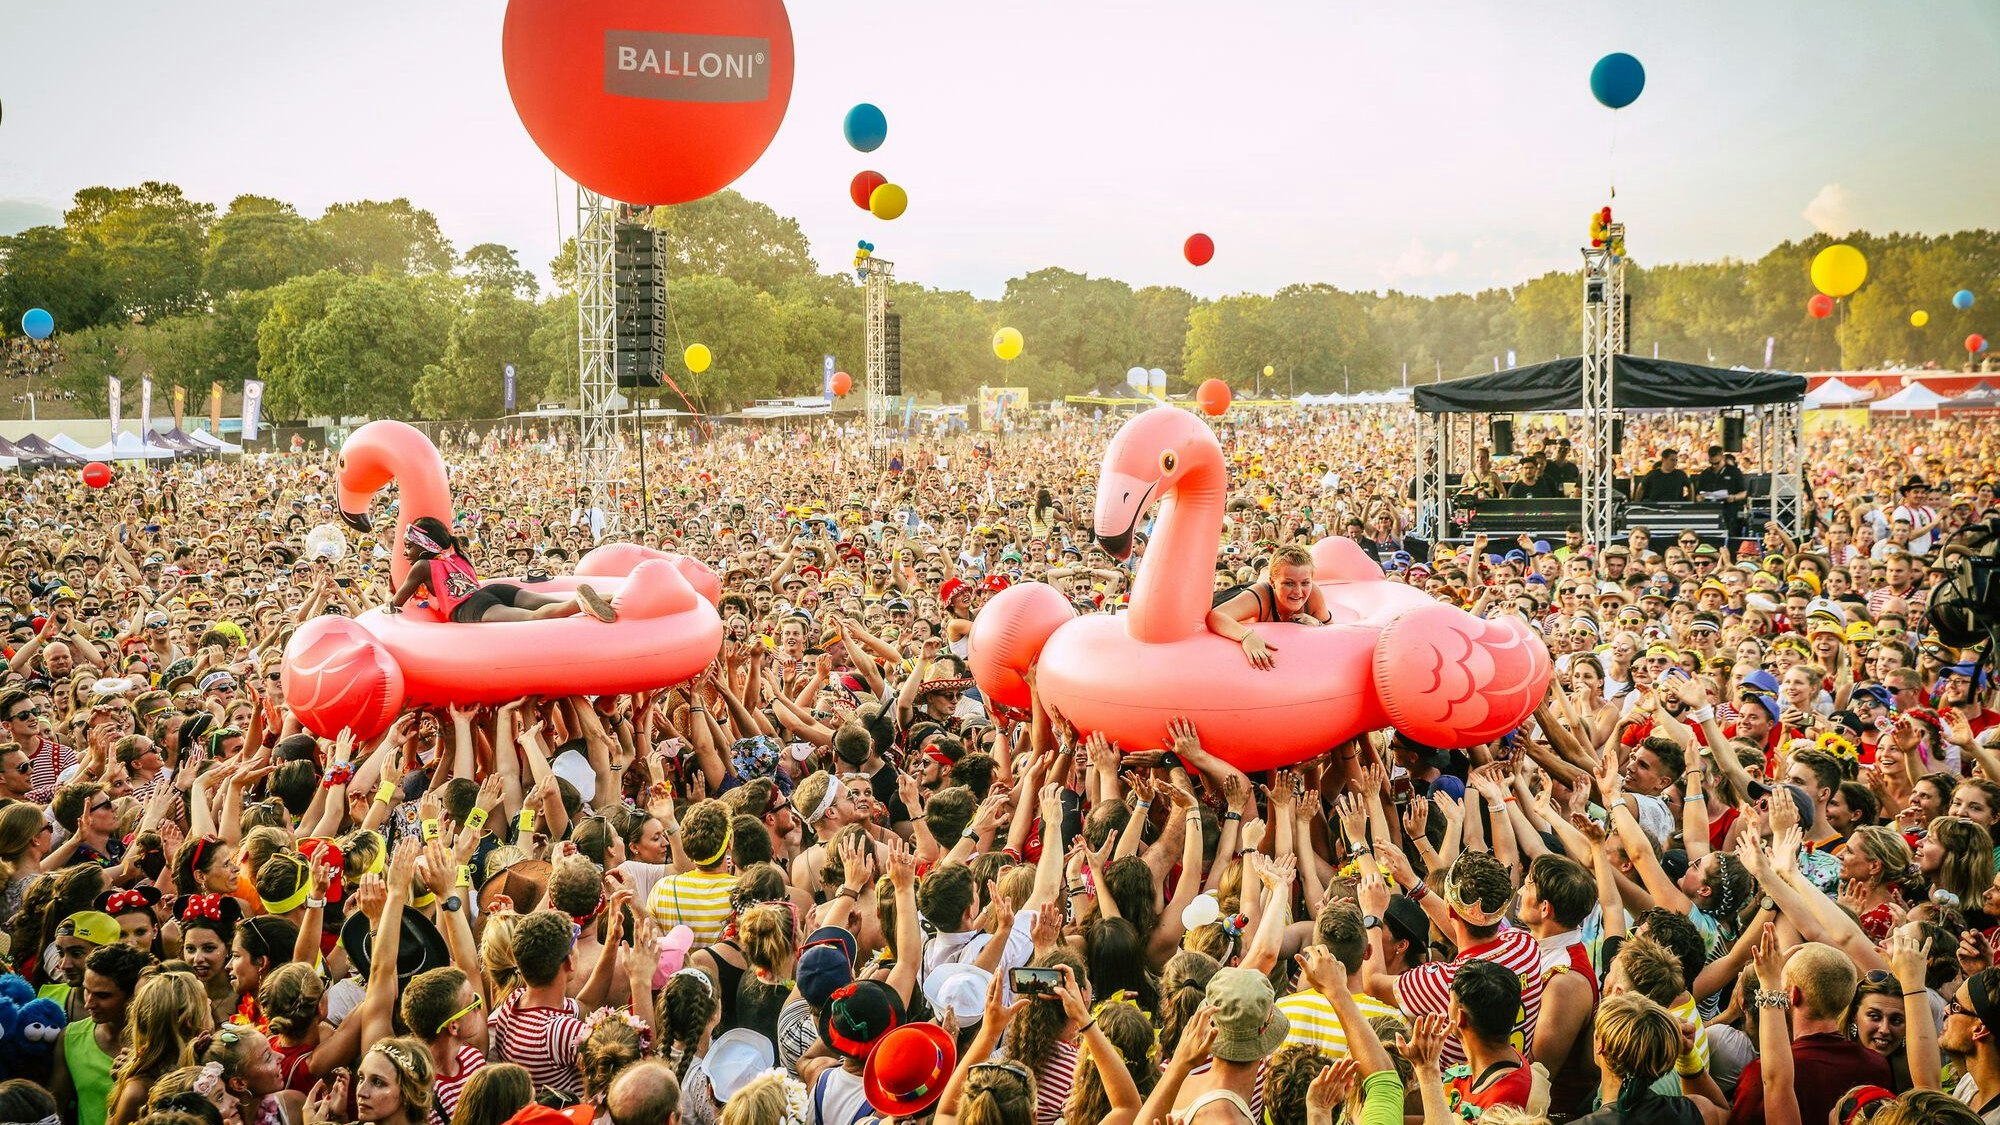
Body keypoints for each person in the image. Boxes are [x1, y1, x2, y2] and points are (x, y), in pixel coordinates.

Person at [389, 517, 614, 624]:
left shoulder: (422, 566)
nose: (404, 552)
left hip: (472, 607)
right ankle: (610, 597)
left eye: (408, 546)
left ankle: (581, 604)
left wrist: (387, 603)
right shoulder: (457, 555)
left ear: (425, 545)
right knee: (547, 601)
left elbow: (396, 602)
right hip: (493, 591)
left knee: (533, 617)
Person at [1206, 546, 1331, 669]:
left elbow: (1333, 630)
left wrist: (1318, 625)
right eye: (1289, 583)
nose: (1298, 592)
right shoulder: (1261, 596)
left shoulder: (1313, 593)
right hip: (1238, 592)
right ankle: (1263, 569)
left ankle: (1263, 568)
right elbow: (1215, 615)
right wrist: (1246, 636)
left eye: (1305, 583)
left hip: (1271, 586)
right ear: (1273, 583)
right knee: (1259, 583)